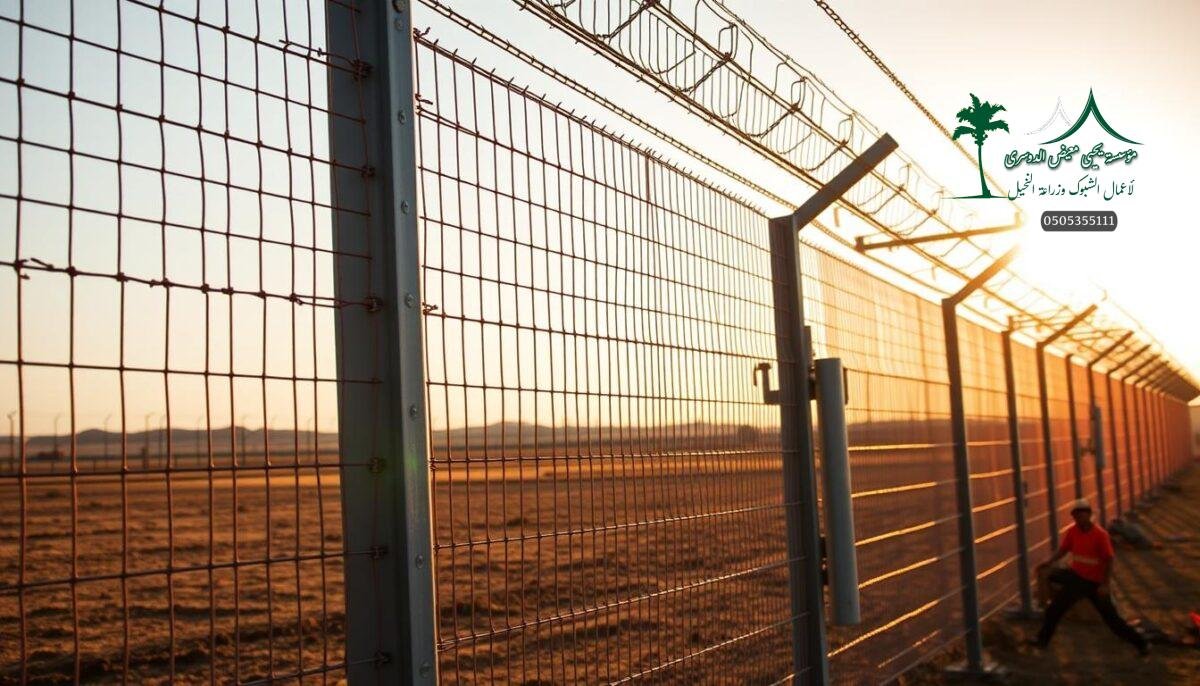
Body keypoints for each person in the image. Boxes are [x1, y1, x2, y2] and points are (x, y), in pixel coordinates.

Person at [1031, 498, 1148, 655]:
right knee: (1054, 603)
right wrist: (1049, 562)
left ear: (1089, 515)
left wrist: (1104, 585)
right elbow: (1064, 549)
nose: (1079, 518)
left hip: (1093, 582)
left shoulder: (1100, 535)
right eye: (1076, 515)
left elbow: (1108, 559)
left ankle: (1141, 643)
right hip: (1076, 577)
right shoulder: (1073, 531)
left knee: (1112, 620)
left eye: (1082, 514)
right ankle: (1042, 641)